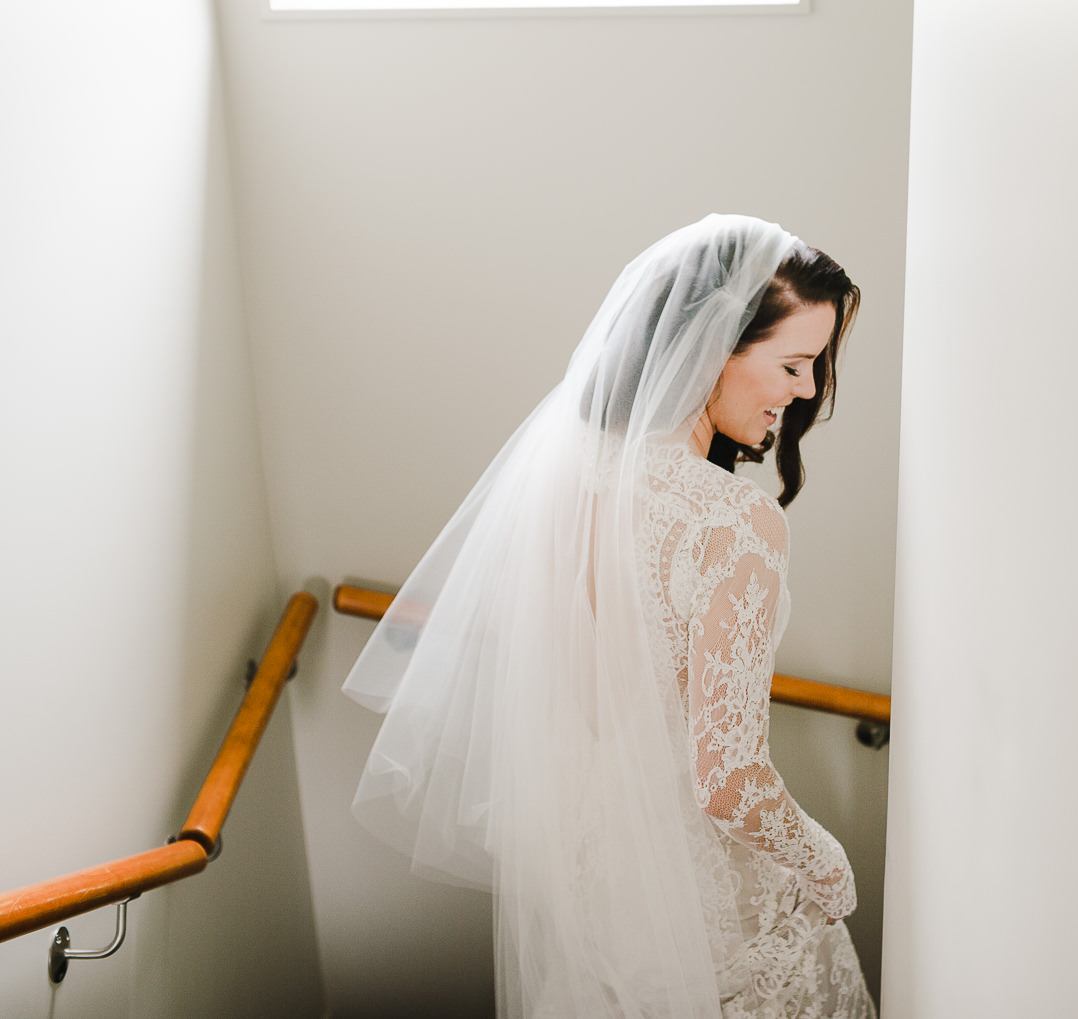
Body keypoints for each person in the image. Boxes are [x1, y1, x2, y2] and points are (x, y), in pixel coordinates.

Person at [343, 215, 875, 1018]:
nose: (807, 390)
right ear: (710, 351)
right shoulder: (733, 521)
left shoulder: (567, 477)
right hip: (708, 905)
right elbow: (728, 780)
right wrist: (825, 857)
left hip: (595, 877)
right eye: (794, 363)